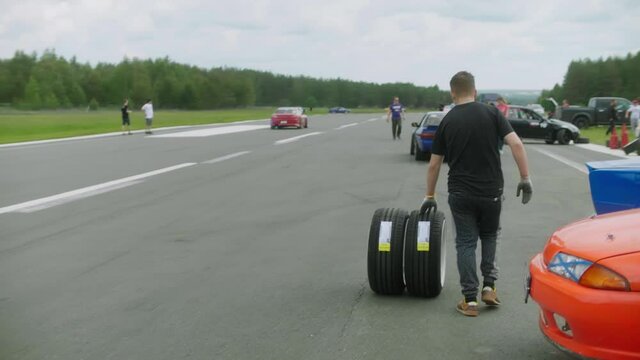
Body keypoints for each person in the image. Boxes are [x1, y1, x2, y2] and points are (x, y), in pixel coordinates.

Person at [421, 71, 532, 317]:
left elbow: (434, 164)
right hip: (492, 191)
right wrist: (525, 178)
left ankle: (470, 301)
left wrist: (430, 195)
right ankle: (490, 287)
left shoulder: (447, 121)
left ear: (452, 92)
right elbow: (516, 144)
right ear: (475, 90)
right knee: (491, 236)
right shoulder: (492, 113)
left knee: (466, 243)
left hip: (460, 193)